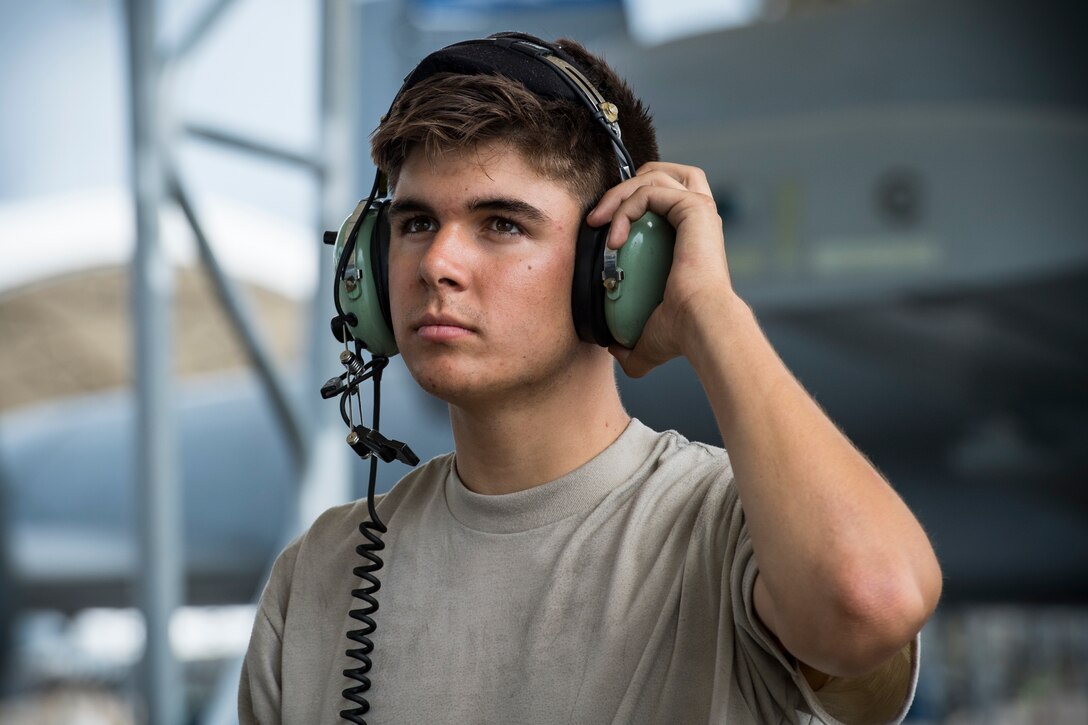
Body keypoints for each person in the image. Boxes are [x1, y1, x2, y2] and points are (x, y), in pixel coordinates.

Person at [239, 32, 942, 725]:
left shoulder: (730, 533)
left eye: (502, 224)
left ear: (617, 267)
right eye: (418, 222)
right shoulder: (321, 575)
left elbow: (869, 600)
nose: (437, 263)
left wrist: (712, 313)